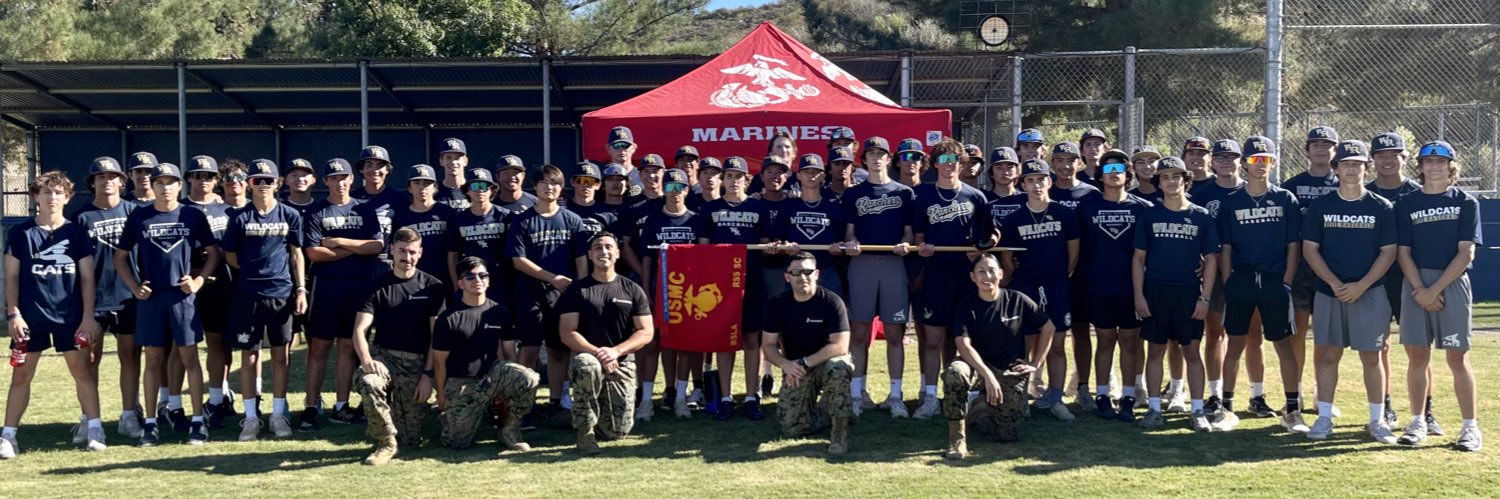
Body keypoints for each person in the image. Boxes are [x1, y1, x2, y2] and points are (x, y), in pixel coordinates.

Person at [1302, 140, 1399, 444]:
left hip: (1369, 292)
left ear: (1366, 167)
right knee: (1329, 355)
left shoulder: (1380, 207)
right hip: (1330, 292)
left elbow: (1388, 252)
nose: (1351, 169)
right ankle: (1324, 418)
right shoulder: (1322, 206)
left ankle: (1377, 420)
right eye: (1345, 164)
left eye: (1357, 164)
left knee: (1372, 357)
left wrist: (1362, 285)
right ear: (1336, 168)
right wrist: (1333, 282)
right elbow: (1310, 249)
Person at [2, 171, 105, 458]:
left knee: (82, 372)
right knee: (21, 376)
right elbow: (10, 278)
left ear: (68, 198)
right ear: (36, 196)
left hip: (70, 316)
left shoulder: (76, 232)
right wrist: (14, 315)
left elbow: (87, 279)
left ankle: (95, 429)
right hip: (30, 317)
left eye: (58, 192)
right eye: (46, 192)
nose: (52, 198)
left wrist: (88, 317)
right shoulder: (20, 233)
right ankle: (8, 436)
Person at [115, 163, 218, 445]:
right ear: (153, 186)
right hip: (152, 299)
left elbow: (213, 254)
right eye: (159, 182)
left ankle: (198, 422)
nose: (165, 187)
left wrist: (198, 281)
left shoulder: (192, 215)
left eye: (170, 182)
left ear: (179, 186)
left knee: (190, 360)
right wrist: (135, 287)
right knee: (153, 361)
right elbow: (120, 256)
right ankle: (150, 423)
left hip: (183, 299)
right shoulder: (139, 216)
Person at [1393, 140, 1482, 451]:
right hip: (1416, 283)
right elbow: (1403, 252)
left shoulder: (1466, 202)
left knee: (1457, 358)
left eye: (1440, 162)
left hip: (1451, 283)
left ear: (1450, 166)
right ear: (1420, 166)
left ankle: (1470, 428)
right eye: (1428, 162)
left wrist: (1435, 290)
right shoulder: (1406, 203)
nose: (1434, 167)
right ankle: (1417, 421)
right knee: (1418, 356)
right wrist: (1420, 290)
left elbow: (1466, 252)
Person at [1215, 137, 1306, 432]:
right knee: (1236, 343)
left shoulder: (1284, 199)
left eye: (1266, 160)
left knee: (1283, 344)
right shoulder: (1231, 202)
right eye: (1255, 160)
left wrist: (1287, 281)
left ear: (1273, 163)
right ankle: (1226, 408)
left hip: (1274, 280)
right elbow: (1225, 246)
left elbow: (1293, 244)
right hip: (1241, 279)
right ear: (1245, 164)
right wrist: (1229, 280)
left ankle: (1292, 410)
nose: (1260, 165)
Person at [1132, 156, 1220, 432]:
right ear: (1158, 182)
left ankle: (1197, 411)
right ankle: (1155, 408)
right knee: (1155, 350)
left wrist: (1205, 297)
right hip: (1156, 291)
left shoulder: (1201, 215)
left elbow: (1212, 259)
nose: (1171, 182)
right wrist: (1139, 296)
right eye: (1165, 177)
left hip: (1188, 293)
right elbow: (1137, 258)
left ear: (1186, 179)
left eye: (1176, 176)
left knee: (1192, 351)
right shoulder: (1150, 214)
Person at [221, 159, 307, 441]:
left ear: (278, 183)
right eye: (257, 180)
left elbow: (296, 254)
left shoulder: (290, 215)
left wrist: (301, 289)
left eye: (268, 180)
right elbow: (230, 256)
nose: (263, 185)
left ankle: (279, 415)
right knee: (249, 357)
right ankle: (250, 418)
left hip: (281, 294)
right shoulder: (240, 217)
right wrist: (251, 273)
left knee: (281, 356)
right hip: (247, 295)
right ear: (249, 184)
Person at [942, 254, 1055, 458]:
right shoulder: (966, 305)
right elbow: (963, 344)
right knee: (954, 372)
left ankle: (979, 411)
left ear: (1001, 274)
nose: (987, 276)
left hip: (1008, 368)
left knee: (1006, 435)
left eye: (992, 270)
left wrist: (1036, 363)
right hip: (976, 367)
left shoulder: (1018, 299)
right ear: (972, 277)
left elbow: (1048, 327)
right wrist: (988, 376)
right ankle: (957, 439)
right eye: (981, 271)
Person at [301, 158, 384, 431]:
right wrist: (356, 248)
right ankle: (311, 407)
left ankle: (341, 405)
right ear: (325, 182)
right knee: (319, 347)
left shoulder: (365, 209)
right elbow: (314, 253)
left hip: (358, 287)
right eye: (333, 178)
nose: (339, 182)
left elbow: (377, 245)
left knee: (348, 347)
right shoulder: (315, 212)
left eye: (344, 177)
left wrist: (338, 242)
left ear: (352, 179)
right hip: (326, 288)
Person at [352, 227, 447, 464]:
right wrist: (367, 361)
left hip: (417, 363)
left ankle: (396, 422)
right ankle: (385, 443)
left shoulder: (433, 287)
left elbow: (437, 339)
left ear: (420, 253)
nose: (407, 257)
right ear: (391, 250)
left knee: (412, 439)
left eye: (413, 252)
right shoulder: (376, 286)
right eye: (402, 251)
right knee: (368, 382)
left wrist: (428, 375)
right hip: (385, 357)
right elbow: (359, 330)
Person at [910, 139, 990, 420]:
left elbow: (990, 235)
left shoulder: (975, 197)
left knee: (966, 339)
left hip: (966, 277)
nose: (949, 166)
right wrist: (923, 249)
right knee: (933, 339)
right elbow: (918, 238)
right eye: (943, 160)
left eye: (954, 160)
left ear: (961, 163)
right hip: (936, 275)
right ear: (934, 165)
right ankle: (930, 397)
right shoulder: (923, 196)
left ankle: (965, 395)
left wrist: (981, 247)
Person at [558, 232, 655, 454]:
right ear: (590, 255)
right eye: (598, 248)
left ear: (618, 254)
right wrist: (598, 353)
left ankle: (575, 415)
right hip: (588, 359)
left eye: (609, 247)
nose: (604, 252)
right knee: (587, 364)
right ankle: (585, 432)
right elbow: (567, 332)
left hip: (620, 363)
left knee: (616, 432)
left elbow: (646, 331)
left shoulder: (632, 289)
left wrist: (615, 351)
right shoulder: (577, 290)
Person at [505, 164, 588, 422]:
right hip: (530, 293)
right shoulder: (522, 220)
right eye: (543, 183)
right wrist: (552, 278)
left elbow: (582, 259)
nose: (549, 187)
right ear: (536, 187)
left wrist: (581, 290)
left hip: (564, 295)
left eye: (554, 183)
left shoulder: (573, 219)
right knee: (529, 350)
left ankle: (556, 401)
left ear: (560, 188)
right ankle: (524, 404)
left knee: (558, 350)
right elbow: (518, 260)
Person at [999, 158, 1079, 422]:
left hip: (1057, 286)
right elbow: (1008, 257)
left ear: (1050, 181)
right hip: (1025, 288)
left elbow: (1073, 251)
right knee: (1025, 343)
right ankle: (1020, 397)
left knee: (1057, 344)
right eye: (1030, 181)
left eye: (1041, 180)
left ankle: (1056, 397)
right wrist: (1016, 276)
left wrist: (1060, 276)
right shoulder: (1014, 219)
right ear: (1023, 185)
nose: (1036, 186)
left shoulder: (1064, 213)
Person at [432, 256, 539, 451]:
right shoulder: (449, 318)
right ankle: (449, 419)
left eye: (482, 275)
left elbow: (510, 355)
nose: (477, 280)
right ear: (460, 283)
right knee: (458, 443)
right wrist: (441, 396)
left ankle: (510, 430)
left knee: (528, 377)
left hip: (492, 377)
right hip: (462, 383)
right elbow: (439, 363)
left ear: (488, 281)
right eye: (470, 277)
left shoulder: (500, 312)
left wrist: (510, 387)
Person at [839, 142, 915, 418]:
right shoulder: (853, 194)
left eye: (881, 154)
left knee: (895, 333)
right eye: (871, 154)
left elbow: (909, 233)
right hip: (862, 264)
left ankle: (895, 396)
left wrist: (905, 244)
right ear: (864, 160)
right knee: (859, 333)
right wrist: (852, 243)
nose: (876, 159)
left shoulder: (904, 193)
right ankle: (857, 394)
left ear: (889, 159)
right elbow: (849, 233)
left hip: (894, 264)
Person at [71, 157, 144, 440]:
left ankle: (129, 416)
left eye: (112, 176)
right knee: (89, 359)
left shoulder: (135, 212)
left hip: (129, 297)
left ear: (122, 181)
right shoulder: (81, 217)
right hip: (95, 299)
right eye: (100, 177)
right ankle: (89, 419)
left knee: (130, 356)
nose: (107, 181)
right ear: (92, 183)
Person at [1076, 150, 1151, 421]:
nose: (1114, 172)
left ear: (1127, 173)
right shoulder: (1087, 207)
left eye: (1120, 167)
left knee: (1131, 342)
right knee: (1105, 340)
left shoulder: (1142, 208)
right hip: (1098, 285)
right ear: (1100, 175)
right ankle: (1103, 395)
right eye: (1108, 168)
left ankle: (1129, 396)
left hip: (1132, 288)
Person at [695, 157, 772, 421]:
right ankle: (726, 398)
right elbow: (702, 250)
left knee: (752, 339)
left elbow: (765, 246)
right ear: (723, 179)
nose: (734, 180)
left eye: (739, 176)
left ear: (747, 180)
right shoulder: (710, 209)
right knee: (725, 341)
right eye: (729, 176)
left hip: (752, 281)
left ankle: (752, 396)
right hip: (720, 285)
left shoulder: (758, 208)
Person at [626, 168, 700, 420]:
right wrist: (645, 291)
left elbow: (704, 258)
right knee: (652, 345)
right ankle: (646, 400)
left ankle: (680, 398)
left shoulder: (695, 219)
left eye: (679, 188)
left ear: (687, 190)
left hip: (687, 293)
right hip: (659, 290)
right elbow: (647, 259)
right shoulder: (654, 220)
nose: (675, 193)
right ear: (663, 190)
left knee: (685, 345)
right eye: (670, 187)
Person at [762, 252, 855, 455]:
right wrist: (785, 365)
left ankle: (839, 433)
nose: (802, 277)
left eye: (807, 271)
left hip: (824, 362)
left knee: (838, 367)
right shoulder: (778, 304)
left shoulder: (832, 302)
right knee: (791, 428)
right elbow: (768, 345)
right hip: (796, 367)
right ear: (787, 276)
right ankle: (827, 412)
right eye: (796, 272)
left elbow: (841, 346)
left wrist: (805, 362)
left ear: (817, 274)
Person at [1282, 126, 1342, 420]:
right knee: (1297, 333)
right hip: (1301, 271)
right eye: (1315, 144)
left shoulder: (1344, 181)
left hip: (1334, 270)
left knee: (1326, 336)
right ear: (1306, 150)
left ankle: (1322, 392)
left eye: (1327, 144)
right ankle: (1296, 392)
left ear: (1335, 150)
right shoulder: (1291, 186)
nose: (1320, 149)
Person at [1367, 131, 1421, 426]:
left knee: (1417, 347)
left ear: (1405, 158)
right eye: (1381, 155)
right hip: (1377, 280)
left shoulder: (1417, 193)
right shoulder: (1364, 194)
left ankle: (1424, 409)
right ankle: (1385, 405)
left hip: (1410, 278)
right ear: (1372, 160)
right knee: (1379, 345)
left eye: (1394, 155)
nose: (1388, 161)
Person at [1194, 139, 1249, 420]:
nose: (1227, 162)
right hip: (1214, 273)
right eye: (1221, 158)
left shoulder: (1252, 190)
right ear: (1211, 162)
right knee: (1214, 334)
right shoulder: (1200, 193)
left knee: (1248, 336)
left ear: (1241, 161)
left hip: (1248, 271)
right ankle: (1215, 394)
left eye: (1232, 157)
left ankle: (1255, 394)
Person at [182, 155, 237, 431]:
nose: (203, 180)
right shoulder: (180, 209)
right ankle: (172, 404)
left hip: (220, 286)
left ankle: (217, 399)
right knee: (180, 348)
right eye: (197, 175)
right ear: (188, 178)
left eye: (209, 176)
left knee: (219, 344)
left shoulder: (227, 210)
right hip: (185, 286)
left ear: (217, 180)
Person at [1047, 141, 1101, 411]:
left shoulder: (1091, 193)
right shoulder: (1045, 191)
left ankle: (1083, 387)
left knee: (1080, 330)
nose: (1065, 166)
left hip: (1083, 274)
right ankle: (1047, 386)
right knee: (1046, 331)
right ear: (1052, 164)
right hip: (1049, 274)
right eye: (1060, 160)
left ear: (1079, 163)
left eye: (1071, 160)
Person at [447, 167, 513, 298]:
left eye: (484, 185)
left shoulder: (506, 216)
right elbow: (452, 255)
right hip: (470, 282)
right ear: (467, 191)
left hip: (501, 283)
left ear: (492, 190)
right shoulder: (459, 219)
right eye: (475, 186)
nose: (480, 190)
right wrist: (456, 285)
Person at [391, 165, 455, 287]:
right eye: (416, 183)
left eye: (427, 183)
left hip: (443, 277)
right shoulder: (401, 216)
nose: (422, 187)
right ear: (409, 188)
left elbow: (453, 251)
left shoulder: (447, 212)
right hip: (412, 277)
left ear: (435, 187)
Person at [281, 159, 318, 343]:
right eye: (294, 175)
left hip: (316, 277)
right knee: (287, 338)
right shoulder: (279, 209)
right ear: (285, 180)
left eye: (304, 175)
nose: (300, 179)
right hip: (285, 278)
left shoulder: (321, 208)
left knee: (315, 336)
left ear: (313, 180)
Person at [351, 146, 407, 250]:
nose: (374, 170)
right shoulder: (352, 198)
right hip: (357, 259)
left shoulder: (399, 199)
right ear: (361, 169)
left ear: (387, 170)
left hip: (389, 260)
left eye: (380, 166)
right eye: (369, 165)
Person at [605, 126, 645, 193]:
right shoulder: (602, 177)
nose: (621, 150)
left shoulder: (643, 177)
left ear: (633, 148)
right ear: (608, 148)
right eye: (617, 145)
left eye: (625, 145)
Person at [436, 138, 471, 210]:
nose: (453, 162)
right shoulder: (433, 191)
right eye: (448, 158)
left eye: (457, 158)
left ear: (465, 161)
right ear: (441, 161)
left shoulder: (475, 189)